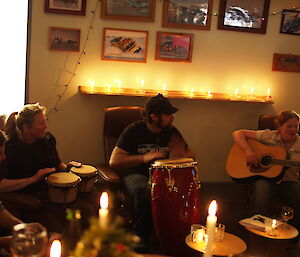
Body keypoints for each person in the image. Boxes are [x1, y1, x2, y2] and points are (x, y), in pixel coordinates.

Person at [109, 93, 195, 249]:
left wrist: (182, 154)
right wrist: (144, 158)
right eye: (168, 115)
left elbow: (192, 156)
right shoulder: (133, 131)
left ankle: (173, 235)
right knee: (146, 190)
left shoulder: (171, 131)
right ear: (154, 117)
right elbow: (114, 161)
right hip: (135, 174)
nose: (172, 118)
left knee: (184, 189)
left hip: (163, 175)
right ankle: (139, 237)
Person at [0, 104, 96, 231]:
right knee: (56, 224)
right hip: (32, 199)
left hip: (54, 194)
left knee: (88, 210)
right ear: (26, 128)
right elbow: (1, 184)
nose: (46, 126)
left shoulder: (47, 139)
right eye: (41, 123)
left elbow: (58, 164)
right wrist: (33, 179)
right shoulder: (9, 148)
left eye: (45, 121)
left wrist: (69, 167)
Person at [232, 110, 300, 231]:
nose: (294, 130)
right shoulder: (270, 136)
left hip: (289, 183)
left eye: (296, 126)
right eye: (289, 126)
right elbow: (237, 134)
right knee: (261, 187)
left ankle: (293, 234)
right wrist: (249, 151)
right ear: (279, 126)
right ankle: (256, 228)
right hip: (269, 181)